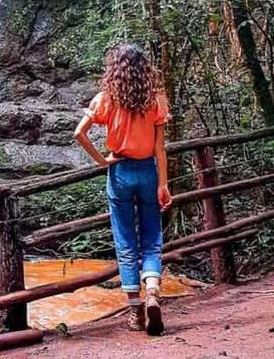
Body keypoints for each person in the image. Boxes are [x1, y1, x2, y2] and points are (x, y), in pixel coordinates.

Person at [73, 44, 172, 336]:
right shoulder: (156, 100)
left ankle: (135, 312)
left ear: (115, 70)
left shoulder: (106, 99)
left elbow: (79, 133)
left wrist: (103, 161)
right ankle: (152, 290)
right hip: (148, 172)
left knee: (126, 241)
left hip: (120, 173)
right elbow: (159, 148)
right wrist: (163, 184)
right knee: (152, 238)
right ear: (145, 70)